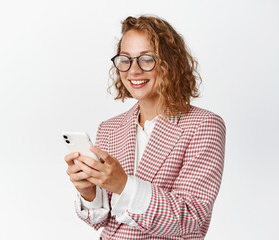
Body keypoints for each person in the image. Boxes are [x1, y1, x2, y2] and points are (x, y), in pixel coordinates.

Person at [64, 15, 226, 240]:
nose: (133, 71)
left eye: (146, 59)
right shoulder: (110, 129)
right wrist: (88, 193)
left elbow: (192, 220)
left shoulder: (203, 125)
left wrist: (123, 185)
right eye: (126, 59)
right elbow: (102, 220)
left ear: (170, 62)